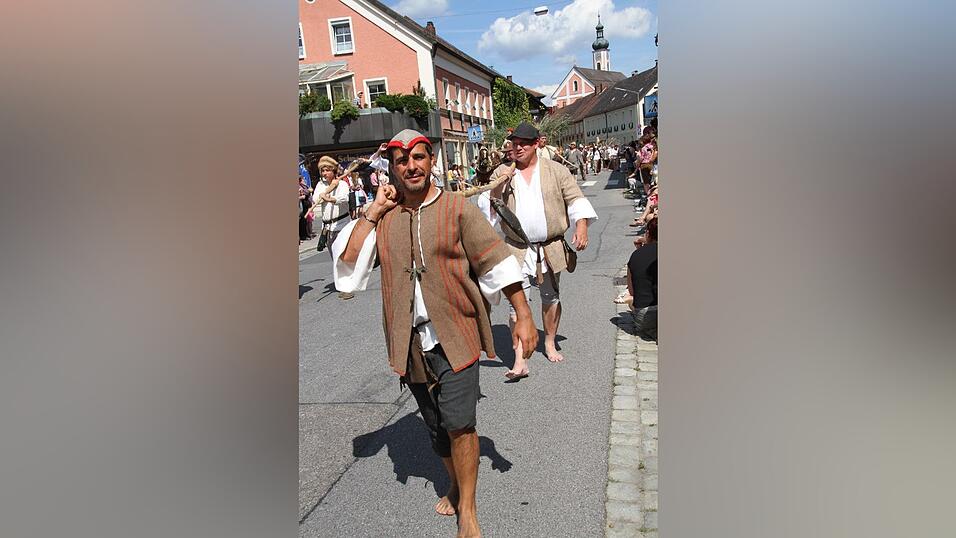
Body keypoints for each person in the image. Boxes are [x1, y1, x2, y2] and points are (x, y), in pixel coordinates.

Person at [332, 129, 538, 538]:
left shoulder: (458, 210)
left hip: (455, 332)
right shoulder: (384, 218)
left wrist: (523, 314)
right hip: (409, 341)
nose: (412, 166)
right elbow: (348, 270)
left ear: (431, 162)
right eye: (402, 161)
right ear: (391, 168)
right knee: (437, 429)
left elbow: (493, 260)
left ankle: (469, 511)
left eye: (419, 157)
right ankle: (455, 485)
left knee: (460, 423)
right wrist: (373, 211)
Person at [491, 121, 598, 375]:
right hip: (516, 248)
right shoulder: (503, 171)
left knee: (550, 297)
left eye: (523, 145)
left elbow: (575, 198)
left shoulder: (556, 170)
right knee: (516, 304)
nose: (517, 149)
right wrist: (501, 182)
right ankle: (520, 358)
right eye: (514, 145)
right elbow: (489, 203)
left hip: (549, 247)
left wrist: (581, 226)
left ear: (537, 144)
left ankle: (549, 341)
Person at [312, 155, 355, 299]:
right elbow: (315, 198)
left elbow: (344, 199)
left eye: (327, 170)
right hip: (328, 227)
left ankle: (346, 287)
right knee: (335, 257)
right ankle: (343, 282)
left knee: (341, 256)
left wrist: (331, 198)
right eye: (323, 171)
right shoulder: (320, 185)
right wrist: (323, 195)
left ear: (333, 170)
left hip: (341, 224)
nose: (324, 173)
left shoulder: (342, 184)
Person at [627, 217, 657, 341]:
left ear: (648, 233)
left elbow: (632, 291)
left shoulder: (635, 256)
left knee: (630, 300)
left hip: (645, 317)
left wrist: (640, 251)